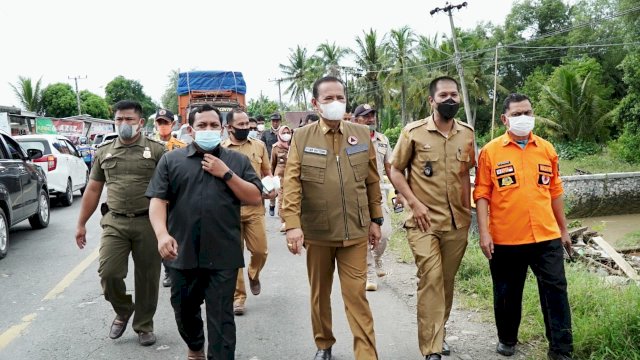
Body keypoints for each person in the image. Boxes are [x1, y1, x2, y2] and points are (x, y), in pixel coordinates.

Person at [146, 104, 263, 360]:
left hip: (223, 254)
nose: (208, 130)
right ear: (190, 129)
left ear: (222, 129)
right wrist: (162, 234)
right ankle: (195, 347)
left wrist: (226, 174)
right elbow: (157, 200)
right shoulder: (171, 160)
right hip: (182, 253)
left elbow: (255, 196)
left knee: (222, 319)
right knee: (184, 310)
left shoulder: (236, 161)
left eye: (213, 125)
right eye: (202, 126)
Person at [282, 76, 383, 360]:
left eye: (340, 97)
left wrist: (376, 219)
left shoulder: (362, 135)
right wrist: (292, 225)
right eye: (328, 98)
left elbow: (373, 182)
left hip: (355, 231)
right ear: (315, 104)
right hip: (318, 232)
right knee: (319, 294)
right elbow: (292, 184)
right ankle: (324, 344)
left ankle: (366, 355)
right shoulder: (302, 138)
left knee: (356, 297)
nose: (335, 103)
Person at [473, 93, 573, 360]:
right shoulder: (490, 152)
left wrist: (563, 230)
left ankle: (561, 350)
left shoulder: (547, 149)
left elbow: (555, 191)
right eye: (517, 114)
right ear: (505, 119)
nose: (523, 118)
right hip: (506, 238)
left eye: (527, 112)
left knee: (555, 291)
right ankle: (507, 338)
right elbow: (481, 194)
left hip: (546, 236)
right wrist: (484, 233)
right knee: (507, 293)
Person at [389, 76, 475, 360]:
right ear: (432, 100)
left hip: (457, 224)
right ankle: (432, 349)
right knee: (432, 277)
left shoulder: (467, 134)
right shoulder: (413, 132)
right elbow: (395, 170)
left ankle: (440, 331)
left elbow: (465, 176)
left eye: (454, 95)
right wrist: (413, 203)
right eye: (444, 95)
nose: (450, 100)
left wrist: (469, 209)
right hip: (423, 222)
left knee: (446, 281)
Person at [75, 100, 166, 347]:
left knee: (148, 278)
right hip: (114, 221)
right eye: (119, 119)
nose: (124, 124)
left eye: (129, 119)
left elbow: (170, 190)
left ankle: (144, 325)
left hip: (148, 221)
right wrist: (81, 223)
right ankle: (124, 308)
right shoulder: (104, 152)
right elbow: (93, 190)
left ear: (140, 122)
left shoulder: (157, 151)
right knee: (109, 273)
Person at [221, 109, 276, 316]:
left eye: (247, 124)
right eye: (241, 125)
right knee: (234, 256)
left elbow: (266, 173)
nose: (246, 128)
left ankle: (254, 274)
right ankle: (238, 297)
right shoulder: (220, 149)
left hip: (254, 208)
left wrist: (272, 188)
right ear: (229, 127)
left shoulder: (259, 146)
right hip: (230, 210)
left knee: (260, 251)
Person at [352, 103, 394, 291]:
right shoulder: (350, 140)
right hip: (356, 193)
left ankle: (377, 258)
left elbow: (390, 168)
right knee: (362, 236)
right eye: (366, 116)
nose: (371, 118)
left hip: (377, 194)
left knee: (384, 234)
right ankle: (369, 273)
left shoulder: (383, 140)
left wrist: (399, 191)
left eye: (372, 115)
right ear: (356, 119)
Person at [154, 108, 187, 288]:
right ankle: (167, 269)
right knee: (160, 233)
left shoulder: (181, 146)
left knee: (175, 232)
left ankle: (173, 268)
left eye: (166, 122)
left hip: (175, 198)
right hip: (157, 197)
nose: (163, 126)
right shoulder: (148, 146)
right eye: (160, 122)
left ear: (172, 125)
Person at [270, 125, 292, 233]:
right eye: (284, 132)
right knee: (282, 198)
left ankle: (291, 220)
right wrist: (271, 177)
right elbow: (272, 164)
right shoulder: (275, 147)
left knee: (291, 198)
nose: (286, 135)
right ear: (279, 134)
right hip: (280, 177)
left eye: (288, 132)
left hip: (291, 176)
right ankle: (283, 222)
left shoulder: (293, 146)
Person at [261, 112, 281, 216]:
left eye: (277, 121)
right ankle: (272, 204)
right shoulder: (265, 134)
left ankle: (281, 209)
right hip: (269, 163)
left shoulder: (285, 132)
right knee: (271, 185)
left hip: (281, 163)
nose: (275, 123)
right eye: (273, 121)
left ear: (280, 121)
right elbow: (262, 147)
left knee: (281, 186)